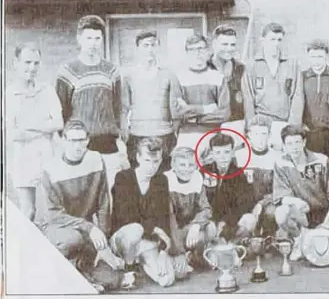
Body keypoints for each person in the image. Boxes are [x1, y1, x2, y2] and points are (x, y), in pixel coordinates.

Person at [37, 120, 124, 292]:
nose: (77, 146)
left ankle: (80, 269)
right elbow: (53, 215)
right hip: (57, 228)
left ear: (87, 140)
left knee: (114, 279)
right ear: (63, 141)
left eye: (81, 140)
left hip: (83, 229)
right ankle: (63, 270)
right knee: (73, 239)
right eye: (72, 141)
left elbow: (103, 203)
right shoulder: (50, 168)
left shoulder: (96, 159)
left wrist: (103, 241)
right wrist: (90, 228)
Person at [55, 15, 128, 188]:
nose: (93, 43)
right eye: (89, 38)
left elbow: (117, 106)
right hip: (79, 143)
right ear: (79, 39)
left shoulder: (112, 70)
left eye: (97, 38)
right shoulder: (67, 71)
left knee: (111, 196)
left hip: (108, 143)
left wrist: (121, 132)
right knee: (84, 200)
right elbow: (61, 110)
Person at [110, 137, 186, 287]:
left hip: (148, 240)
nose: (151, 167)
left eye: (156, 162)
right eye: (147, 161)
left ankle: (141, 263)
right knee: (135, 229)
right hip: (124, 239)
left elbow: (163, 218)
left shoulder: (161, 180)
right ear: (138, 157)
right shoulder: (123, 178)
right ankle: (129, 267)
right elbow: (126, 217)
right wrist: (155, 229)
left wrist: (164, 250)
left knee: (167, 280)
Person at [6, 43, 63, 220]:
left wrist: (29, 125)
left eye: (36, 63)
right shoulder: (9, 94)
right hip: (23, 157)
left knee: (52, 209)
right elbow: (15, 134)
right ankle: (26, 247)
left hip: (47, 154)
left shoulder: (47, 90)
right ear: (16, 63)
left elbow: (58, 123)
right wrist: (44, 127)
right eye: (27, 62)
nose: (32, 68)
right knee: (28, 211)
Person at [121, 31, 186, 172]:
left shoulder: (169, 75)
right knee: (138, 177)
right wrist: (125, 131)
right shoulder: (128, 76)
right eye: (145, 45)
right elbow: (123, 108)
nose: (150, 49)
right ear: (137, 49)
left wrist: (173, 133)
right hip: (137, 135)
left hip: (164, 135)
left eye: (153, 45)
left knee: (163, 177)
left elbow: (176, 111)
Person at [273, 124, 329, 261]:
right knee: (281, 213)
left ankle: (317, 236)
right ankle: (298, 240)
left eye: (297, 142)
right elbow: (280, 197)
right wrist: (297, 201)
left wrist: (327, 223)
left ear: (304, 142)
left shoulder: (321, 160)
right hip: (303, 214)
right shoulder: (281, 163)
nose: (294, 147)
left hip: (325, 213)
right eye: (289, 143)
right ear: (283, 145)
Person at [241, 22, 304, 150]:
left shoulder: (292, 65)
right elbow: (248, 98)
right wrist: (252, 128)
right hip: (261, 125)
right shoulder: (251, 65)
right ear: (262, 40)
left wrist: (292, 129)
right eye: (272, 39)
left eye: (279, 40)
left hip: (283, 123)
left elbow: (297, 97)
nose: (276, 44)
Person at [175, 33, 230, 161]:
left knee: (210, 175)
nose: (197, 53)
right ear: (187, 53)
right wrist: (206, 109)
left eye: (201, 48)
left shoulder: (218, 77)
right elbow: (178, 111)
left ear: (207, 51)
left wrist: (196, 118)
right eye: (192, 50)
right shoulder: (179, 78)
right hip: (186, 136)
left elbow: (224, 113)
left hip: (212, 135)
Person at [165, 147, 214, 269]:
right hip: (171, 232)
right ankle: (181, 255)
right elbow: (169, 218)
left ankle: (196, 256)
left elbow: (206, 209)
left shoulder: (197, 179)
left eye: (191, 165)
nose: (187, 169)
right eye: (182, 165)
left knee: (210, 228)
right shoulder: (166, 182)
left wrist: (195, 225)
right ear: (173, 165)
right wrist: (178, 250)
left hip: (189, 228)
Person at [202, 133, 258, 241]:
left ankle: (232, 244)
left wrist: (225, 224)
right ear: (212, 154)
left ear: (232, 153)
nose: (222, 157)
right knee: (209, 229)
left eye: (226, 152)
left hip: (230, 221)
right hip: (209, 219)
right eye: (218, 153)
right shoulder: (204, 172)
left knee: (249, 219)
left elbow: (244, 205)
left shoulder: (240, 175)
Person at [235, 115, 281, 237]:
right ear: (248, 136)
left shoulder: (277, 157)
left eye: (264, 134)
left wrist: (262, 203)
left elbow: (280, 188)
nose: (260, 139)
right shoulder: (238, 156)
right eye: (256, 134)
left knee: (272, 212)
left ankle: (267, 239)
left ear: (270, 135)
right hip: (244, 204)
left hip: (267, 203)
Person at [302, 39, 329, 171]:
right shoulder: (303, 77)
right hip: (311, 131)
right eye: (313, 57)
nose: (317, 60)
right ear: (308, 57)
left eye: (320, 56)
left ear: (326, 56)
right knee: (314, 168)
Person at [209, 24, 247, 146]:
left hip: (235, 127)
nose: (229, 49)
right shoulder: (204, 68)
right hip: (210, 127)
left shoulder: (241, 69)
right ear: (214, 44)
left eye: (233, 45)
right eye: (224, 44)